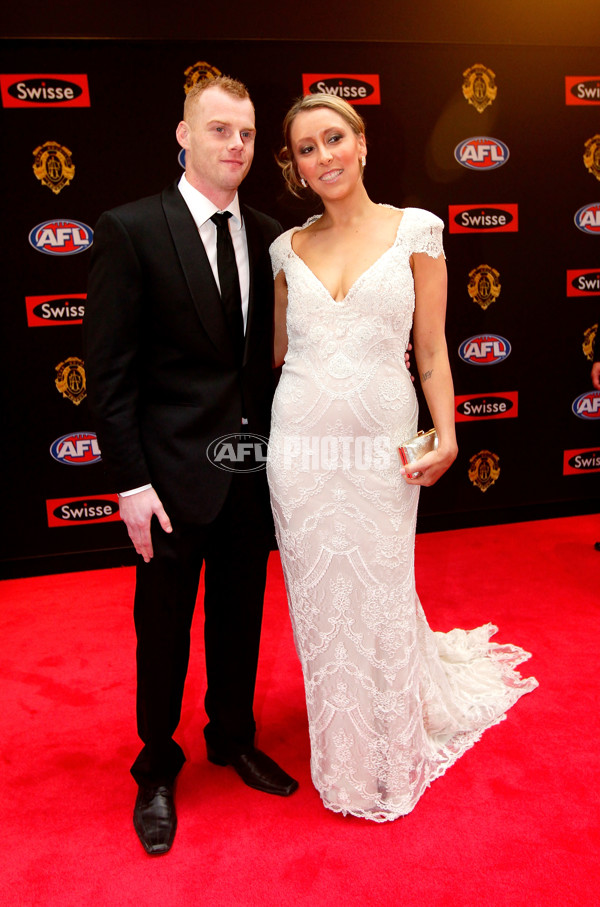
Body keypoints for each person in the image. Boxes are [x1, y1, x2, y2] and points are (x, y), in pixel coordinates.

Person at [267, 93, 538, 822]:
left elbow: (430, 350)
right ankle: (342, 753)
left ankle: (387, 752)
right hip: (300, 447)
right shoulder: (283, 251)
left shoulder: (418, 230)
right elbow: (279, 352)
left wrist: (447, 433)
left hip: (383, 445)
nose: (323, 156)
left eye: (333, 138)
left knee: (381, 591)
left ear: (361, 143)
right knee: (320, 600)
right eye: (306, 148)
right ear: (294, 166)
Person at [83, 75, 298, 857]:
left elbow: (271, 362)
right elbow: (108, 373)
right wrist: (131, 481)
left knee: (241, 618)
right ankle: (156, 764)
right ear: (183, 134)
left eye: (243, 133)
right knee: (163, 630)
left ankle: (232, 737)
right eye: (217, 131)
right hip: (168, 481)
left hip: (248, 474)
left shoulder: (271, 232)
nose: (233, 145)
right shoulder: (131, 228)